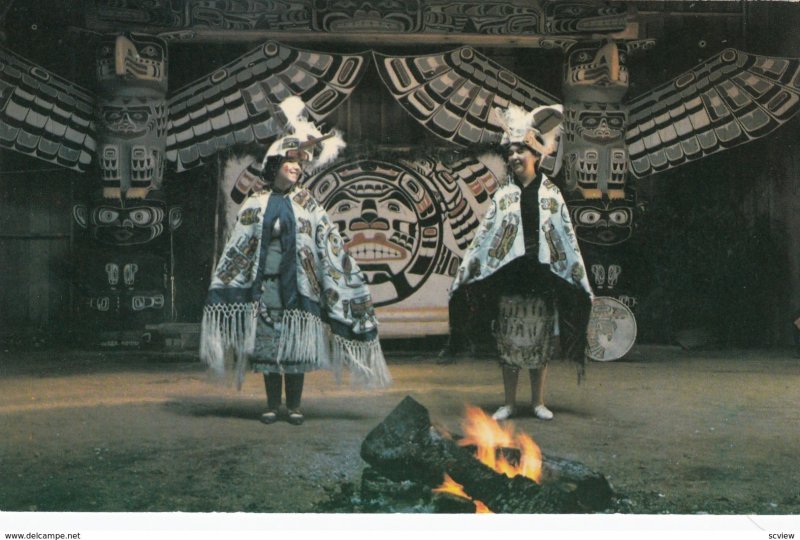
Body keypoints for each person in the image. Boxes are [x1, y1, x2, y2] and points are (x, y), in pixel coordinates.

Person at [200, 97, 391, 425]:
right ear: (275, 164)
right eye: (291, 161)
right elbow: (237, 248)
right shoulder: (254, 205)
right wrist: (224, 283)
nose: (297, 167)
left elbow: (330, 246)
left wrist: (349, 278)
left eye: (300, 164)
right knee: (268, 346)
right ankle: (273, 405)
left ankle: (295, 405)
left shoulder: (309, 205)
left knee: (296, 348)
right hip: (267, 288)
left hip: (300, 288)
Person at [450, 104, 594, 421]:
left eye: (520, 151)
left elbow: (564, 237)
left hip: (540, 275)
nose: (514, 157)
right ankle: (510, 402)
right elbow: (488, 236)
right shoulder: (504, 194)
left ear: (535, 154)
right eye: (511, 152)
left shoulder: (551, 194)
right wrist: (471, 271)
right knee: (508, 340)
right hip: (510, 276)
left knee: (540, 340)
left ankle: (538, 401)